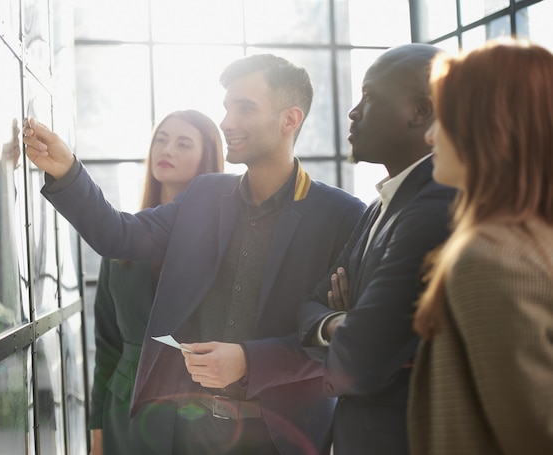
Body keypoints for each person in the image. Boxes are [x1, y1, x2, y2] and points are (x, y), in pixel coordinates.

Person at [24, 54, 366, 454]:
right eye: (226, 107)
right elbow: (119, 235)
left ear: (290, 119)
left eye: (244, 108)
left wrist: (249, 361)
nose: (227, 122)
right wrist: (67, 170)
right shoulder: (204, 195)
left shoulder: (342, 215)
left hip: (282, 439)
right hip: (193, 434)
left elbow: (338, 339)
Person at [297, 43, 456, 455]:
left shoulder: (436, 207)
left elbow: (358, 364)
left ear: (420, 112)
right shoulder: (378, 209)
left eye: (369, 96)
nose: (353, 112)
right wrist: (340, 323)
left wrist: (336, 326)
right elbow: (307, 307)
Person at [409, 39, 553, 455]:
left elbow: (537, 433)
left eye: (445, 119)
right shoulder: (530, 240)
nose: (431, 136)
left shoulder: (491, 257)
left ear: (491, 127)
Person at [89, 110, 225, 455]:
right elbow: (107, 346)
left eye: (183, 143)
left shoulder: (225, 242)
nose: (167, 150)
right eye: (161, 140)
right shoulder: (120, 238)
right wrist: (97, 429)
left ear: (206, 157)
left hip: (199, 413)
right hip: (127, 411)